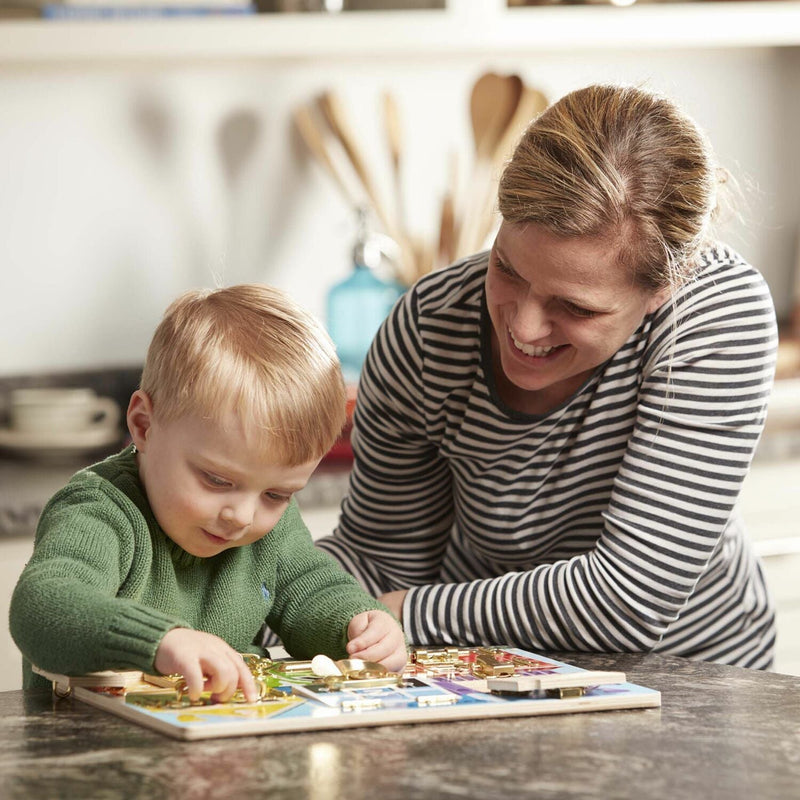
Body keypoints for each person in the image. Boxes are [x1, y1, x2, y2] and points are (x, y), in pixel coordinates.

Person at [316, 83, 778, 669]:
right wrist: (256, 592)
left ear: (663, 288)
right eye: (506, 269)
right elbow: (384, 561)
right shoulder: (428, 331)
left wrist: (413, 614)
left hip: (694, 672)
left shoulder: (715, 313)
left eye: (576, 307)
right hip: (487, 666)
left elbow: (629, 598)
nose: (525, 328)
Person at [10, 284, 407, 702]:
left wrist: (359, 625)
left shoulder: (266, 528)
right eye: (217, 481)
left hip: (218, 749)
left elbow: (313, 589)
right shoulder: (98, 510)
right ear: (143, 424)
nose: (243, 516)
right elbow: (43, 607)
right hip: (89, 752)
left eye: (276, 495)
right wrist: (162, 641)